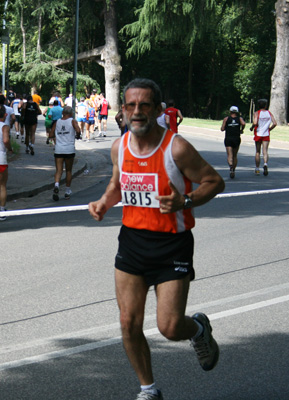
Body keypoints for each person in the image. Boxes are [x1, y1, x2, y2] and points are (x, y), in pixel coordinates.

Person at [88, 78, 224, 400]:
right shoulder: (119, 146)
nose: (137, 112)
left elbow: (214, 181)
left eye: (144, 105)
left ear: (158, 110)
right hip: (132, 243)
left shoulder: (175, 147)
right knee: (128, 323)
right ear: (122, 110)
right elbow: (117, 183)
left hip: (171, 246)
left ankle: (199, 330)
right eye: (131, 105)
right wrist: (104, 202)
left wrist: (186, 201)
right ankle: (148, 390)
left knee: (170, 327)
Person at [49, 106, 80, 201]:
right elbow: (78, 130)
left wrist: (57, 136)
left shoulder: (57, 122)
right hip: (69, 149)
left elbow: (50, 134)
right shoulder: (72, 121)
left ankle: (57, 185)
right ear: (70, 113)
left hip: (58, 149)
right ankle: (67, 191)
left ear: (63, 113)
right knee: (68, 170)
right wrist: (77, 135)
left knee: (58, 170)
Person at [250, 98, 277, 176]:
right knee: (265, 151)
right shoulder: (269, 113)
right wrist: (269, 129)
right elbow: (275, 123)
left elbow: (255, 122)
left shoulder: (257, 113)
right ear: (265, 105)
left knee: (257, 151)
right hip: (266, 134)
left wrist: (252, 128)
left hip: (258, 134)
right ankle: (265, 164)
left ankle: (257, 169)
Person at [220, 106, 246, 179]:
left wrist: (225, 127)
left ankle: (231, 167)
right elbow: (243, 124)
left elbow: (222, 129)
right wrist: (241, 129)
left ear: (230, 112)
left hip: (228, 138)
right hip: (236, 138)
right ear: (237, 112)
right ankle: (233, 170)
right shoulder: (239, 119)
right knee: (235, 155)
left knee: (229, 155)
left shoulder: (226, 119)